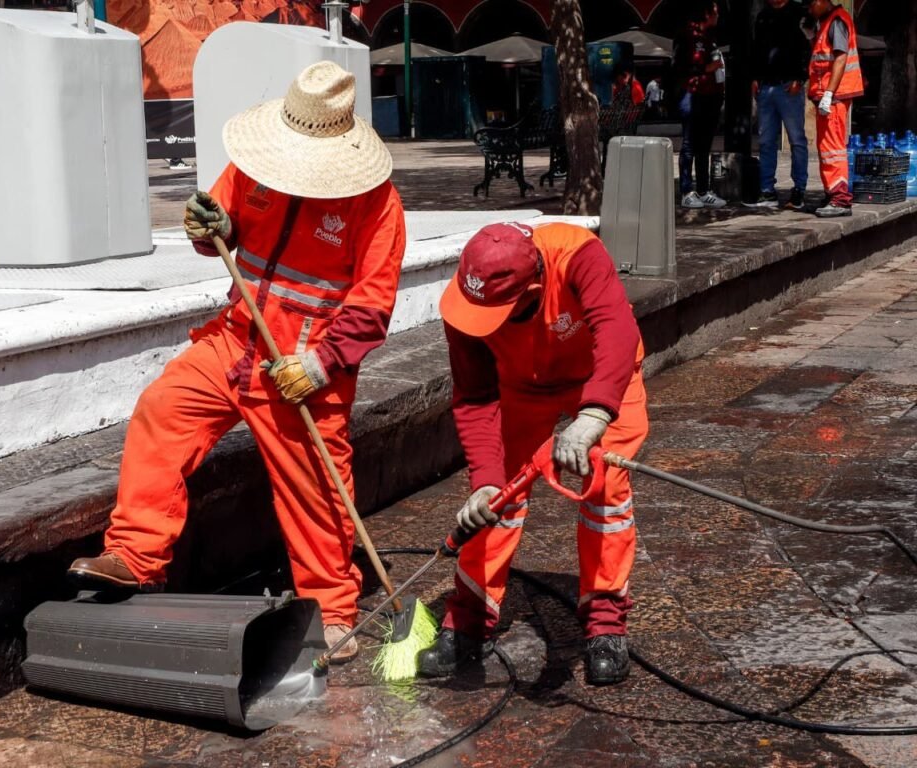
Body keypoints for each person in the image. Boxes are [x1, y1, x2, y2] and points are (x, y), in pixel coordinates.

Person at [68, 61, 407, 664]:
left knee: (317, 489)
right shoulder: (256, 166)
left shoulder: (377, 205)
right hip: (236, 339)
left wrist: (323, 364)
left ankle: (331, 608)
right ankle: (136, 556)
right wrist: (210, 227)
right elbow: (217, 228)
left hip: (303, 366)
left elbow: (371, 305)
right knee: (161, 411)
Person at [417, 222, 649, 687]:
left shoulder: (577, 253)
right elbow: (475, 395)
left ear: (536, 288)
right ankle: (468, 618)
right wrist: (485, 477)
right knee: (494, 501)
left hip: (601, 377)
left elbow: (617, 331)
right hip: (523, 385)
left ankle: (605, 621)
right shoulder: (468, 299)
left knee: (605, 490)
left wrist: (594, 416)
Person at [750, 0, 811, 210]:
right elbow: (757, 48)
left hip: (789, 86)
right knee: (766, 140)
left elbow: (807, 47)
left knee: (796, 139)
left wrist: (800, 78)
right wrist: (755, 77)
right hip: (766, 86)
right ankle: (767, 190)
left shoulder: (798, 13)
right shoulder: (763, 16)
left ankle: (799, 189)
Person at [806, 0, 863, 218]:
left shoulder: (837, 21)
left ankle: (840, 199)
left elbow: (840, 58)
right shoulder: (826, 22)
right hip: (829, 95)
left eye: (811, 5)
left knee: (833, 147)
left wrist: (829, 93)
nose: (809, 10)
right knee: (826, 147)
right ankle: (832, 194)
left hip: (835, 95)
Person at [673, 0, 727, 209]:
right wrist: (706, 68)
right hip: (692, 94)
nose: (718, 15)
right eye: (715, 11)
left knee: (704, 145)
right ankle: (687, 191)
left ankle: (703, 190)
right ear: (706, 13)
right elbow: (679, 67)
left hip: (710, 96)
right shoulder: (686, 36)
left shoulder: (710, 37)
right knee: (689, 145)